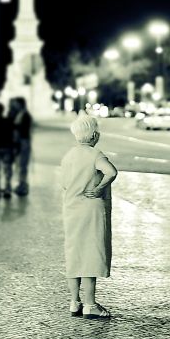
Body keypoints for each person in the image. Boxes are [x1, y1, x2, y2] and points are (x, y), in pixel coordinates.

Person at [60, 111, 118, 319]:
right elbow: (111, 172)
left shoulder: (69, 156)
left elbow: (65, 184)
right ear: (94, 135)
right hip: (91, 210)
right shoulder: (95, 154)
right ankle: (90, 305)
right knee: (90, 254)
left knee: (74, 253)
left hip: (71, 209)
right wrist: (99, 187)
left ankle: (74, 302)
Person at [10, 97, 32, 196]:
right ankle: (21, 184)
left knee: (23, 165)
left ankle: (23, 185)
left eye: (16, 104)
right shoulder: (19, 114)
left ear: (20, 104)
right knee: (20, 165)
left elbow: (23, 129)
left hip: (23, 142)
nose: (15, 106)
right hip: (20, 142)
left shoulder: (25, 115)